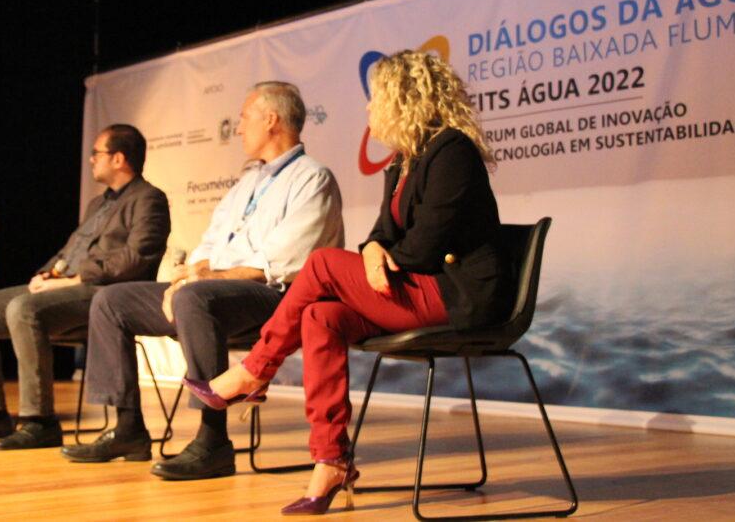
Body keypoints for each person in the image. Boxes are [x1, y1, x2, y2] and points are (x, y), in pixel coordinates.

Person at [188, 50, 513, 515]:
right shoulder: (405, 160)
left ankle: (255, 370)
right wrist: (374, 251)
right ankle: (331, 460)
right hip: (414, 286)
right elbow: (381, 233)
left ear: (402, 99)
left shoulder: (452, 152)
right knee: (321, 316)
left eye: (375, 97)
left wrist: (379, 255)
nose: (368, 107)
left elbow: (424, 246)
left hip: (457, 297)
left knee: (322, 264)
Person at [61, 81, 345, 481]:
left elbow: (285, 261)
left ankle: (213, 442)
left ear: (271, 119)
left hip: (276, 299)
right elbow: (210, 244)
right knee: (112, 301)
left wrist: (201, 281)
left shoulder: (312, 179)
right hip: (213, 292)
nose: (238, 127)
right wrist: (185, 278)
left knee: (196, 297)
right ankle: (128, 429)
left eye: (244, 117)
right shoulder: (248, 182)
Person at [0, 124, 170, 449]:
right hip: (65, 286)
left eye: (97, 153)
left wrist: (76, 279)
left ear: (118, 159)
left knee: (23, 309)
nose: (91, 159)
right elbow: (69, 251)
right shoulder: (98, 204)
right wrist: (47, 275)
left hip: (105, 293)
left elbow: (136, 258)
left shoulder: (149, 199)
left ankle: (40, 421)